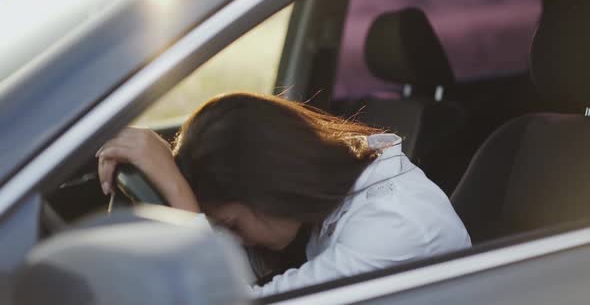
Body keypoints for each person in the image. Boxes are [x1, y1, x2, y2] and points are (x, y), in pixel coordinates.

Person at [96, 92, 471, 297]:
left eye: (232, 225)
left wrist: (178, 192)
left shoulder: (394, 226)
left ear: (271, 189)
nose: (234, 239)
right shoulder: (328, 199)